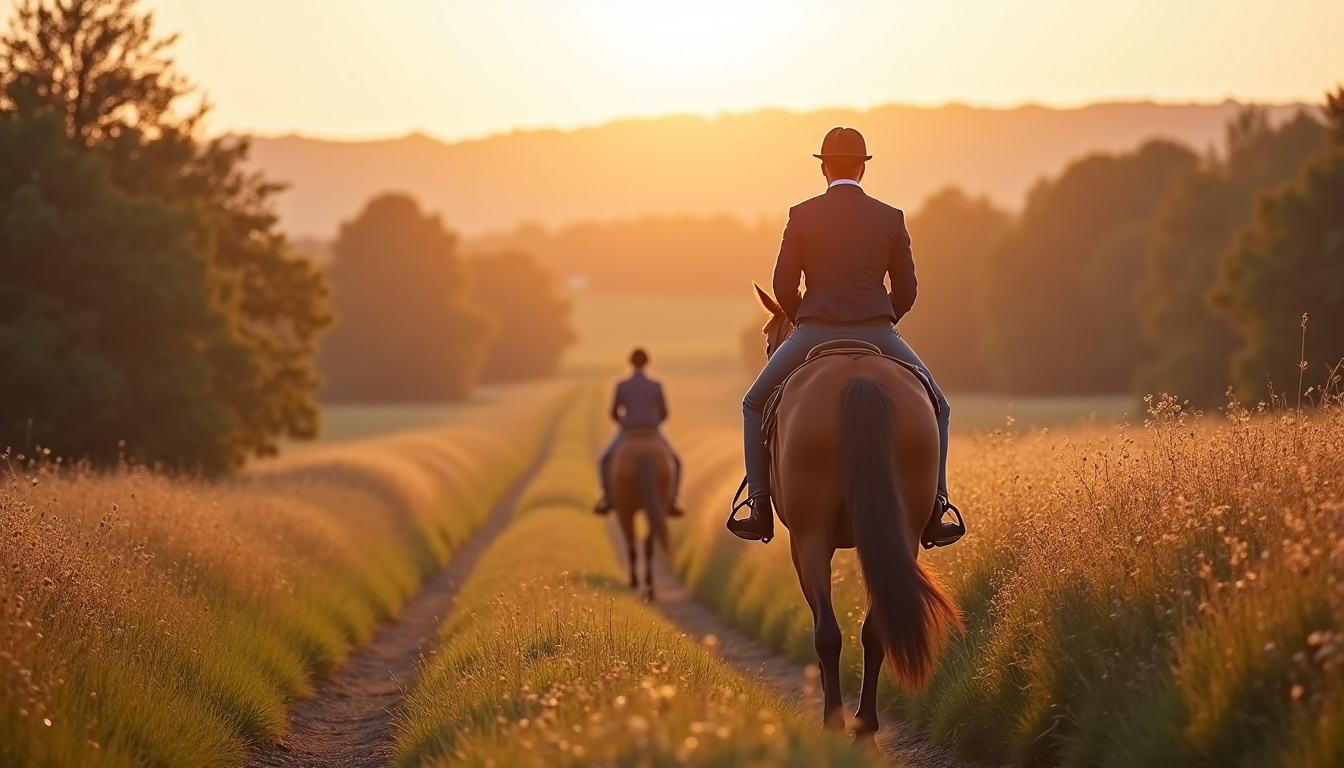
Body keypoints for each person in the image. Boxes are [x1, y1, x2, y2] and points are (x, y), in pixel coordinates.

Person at [726, 126, 963, 548]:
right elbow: (907, 291)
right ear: (862, 168)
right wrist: (882, 318)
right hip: (878, 331)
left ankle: (759, 507)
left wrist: (806, 320)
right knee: (939, 406)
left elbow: (783, 286)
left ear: (823, 168)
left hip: (813, 330)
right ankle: (938, 507)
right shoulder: (891, 217)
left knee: (752, 403)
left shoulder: (801, 214)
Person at [594, 348, 683, 516]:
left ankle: (606, 497)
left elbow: (614, 412)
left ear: (630, 363)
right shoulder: (656, 385)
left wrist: (625, 423)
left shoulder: (621, 385)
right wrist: (653, 423)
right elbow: (664, 413)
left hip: (628, 431)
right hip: (652, 431)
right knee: (677, 461)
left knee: (604, 460)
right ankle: (673, 500)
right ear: (647, 363)